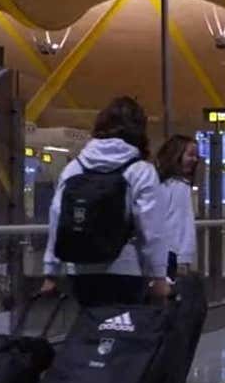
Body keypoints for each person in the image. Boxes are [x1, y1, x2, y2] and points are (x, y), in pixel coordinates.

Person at [42, 96, 169, 306]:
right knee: (125, 333)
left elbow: (58, 218)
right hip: (126, 270)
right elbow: (151, 229)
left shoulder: (74, 168)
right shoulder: (140, 171)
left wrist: (50, 272)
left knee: (91, 330)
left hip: (80, 270)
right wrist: (158, 276)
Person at [156, 134, 199, 279]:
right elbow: (181, 224)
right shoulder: (180, 186)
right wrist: (183, 258)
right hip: (172, 256)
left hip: (159, 254)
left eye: (196, 156)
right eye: (191, 155)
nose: (195, 160)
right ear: (176, 155)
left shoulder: (159, 182)